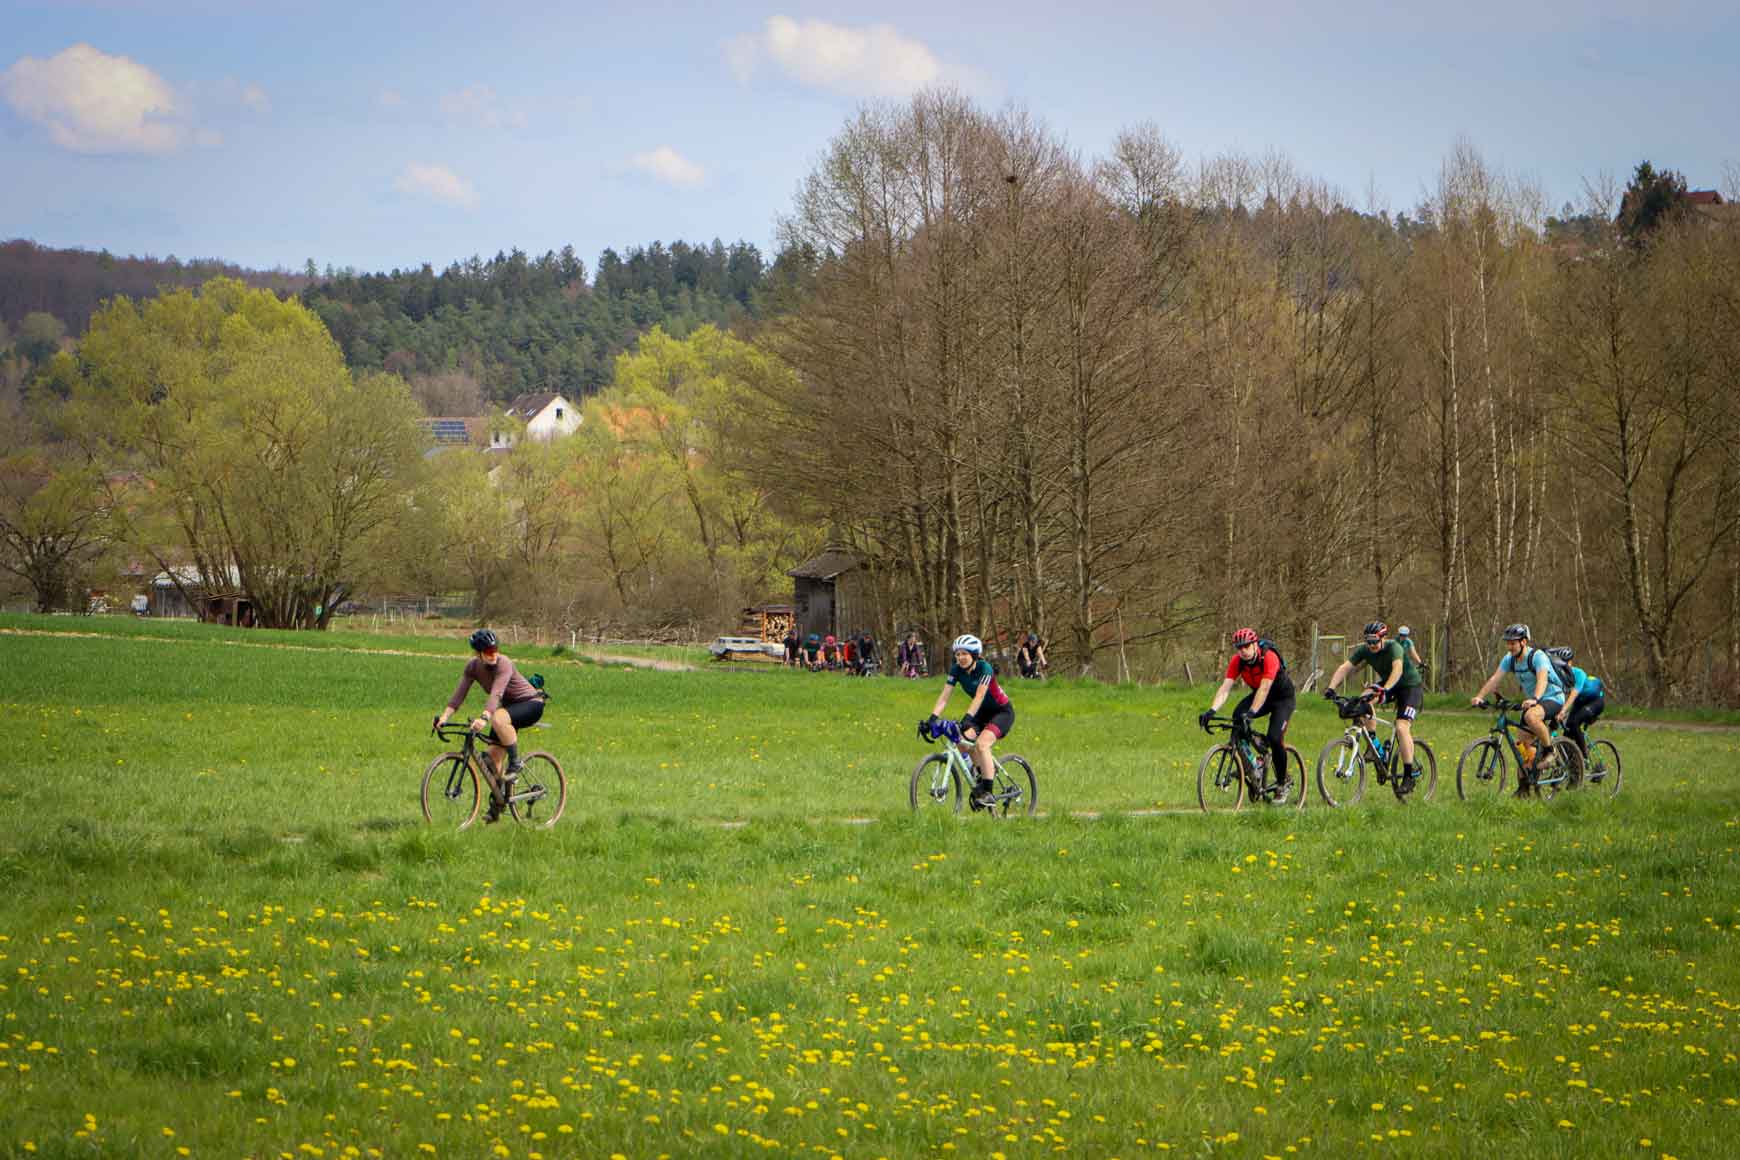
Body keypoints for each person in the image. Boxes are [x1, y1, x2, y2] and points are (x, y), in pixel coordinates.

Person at [433, 628, 549, 822]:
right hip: (509, 710)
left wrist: (484, 717)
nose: (493, 654)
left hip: (531, 704)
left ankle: (516, 763)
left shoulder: (504, 663)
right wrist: (444, 717)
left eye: (495, 649)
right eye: (488, 651)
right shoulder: (472, 667)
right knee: (492, 759)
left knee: (498, 718)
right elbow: (459, 695)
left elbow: (497, 693)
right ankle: (497, 806)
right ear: (478, 654)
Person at [1322, 620, 1426, 796]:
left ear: (1383, 638)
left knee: (1401, 728)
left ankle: (1409, 776)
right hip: (1388, 684)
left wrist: (1385, 689)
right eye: (1368, 642)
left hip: (1409, 687)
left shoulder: (1394, 647)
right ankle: (1373, 744)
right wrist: (1331, 688)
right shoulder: (1365, 650)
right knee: (1362, 700)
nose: (1371, 645)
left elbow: (1398, 669)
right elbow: (1345, 667)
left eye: (1375, 641)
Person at [1470, 623, 1566, 795]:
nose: (1509, 646)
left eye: (1513, 643)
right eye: (1508, 643)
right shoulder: (1510, 659)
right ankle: (1524, 789)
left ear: (1523, 642)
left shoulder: (1537, 657)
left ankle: (1551, 751)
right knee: (1522, 746)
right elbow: (1495, 678)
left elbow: (1542, 680)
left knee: (1530, 717)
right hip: (1534, 702)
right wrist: (1480, 696)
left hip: (1553, 697)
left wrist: (1535, 699)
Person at [1199, 627, 1296, 798]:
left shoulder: (1269, 657)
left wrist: (1251, 713)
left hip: (1282, 698)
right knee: (1238, 717)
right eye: (1239, 647)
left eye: (1246, 646)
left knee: (1275, 738)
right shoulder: (1237, 661)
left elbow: (1265, 688)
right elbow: (1225, 687)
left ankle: (1283, 783)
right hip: (1261, 695)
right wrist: (1212, 710)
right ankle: (1252, 764)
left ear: (1255, 644)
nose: (1243, 650)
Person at [922, 633, 1015, 810]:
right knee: (962, 742)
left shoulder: (985, 668)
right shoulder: (956, 670)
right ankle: (981, 774)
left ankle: (988, 792)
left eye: (964, 654)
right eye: (957, 654)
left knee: (982, 744)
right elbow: (944, 697)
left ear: (974, 655)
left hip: (1001, 712)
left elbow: (979, 696)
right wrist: (931, 719)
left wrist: (967, 718)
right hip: (980, 713)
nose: (960, 658)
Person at [1550, 647, 1607, 760]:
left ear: (1570, 663)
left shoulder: (1579, 674)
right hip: (1580, 702)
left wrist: (1563, 711)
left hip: (1594, 701)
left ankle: (1585, 757)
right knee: (1567, 732)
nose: (1562, 667)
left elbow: (1573, 694)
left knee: (1575, 723)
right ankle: (1572, 765)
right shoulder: (1558, 677)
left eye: (1565, 663)